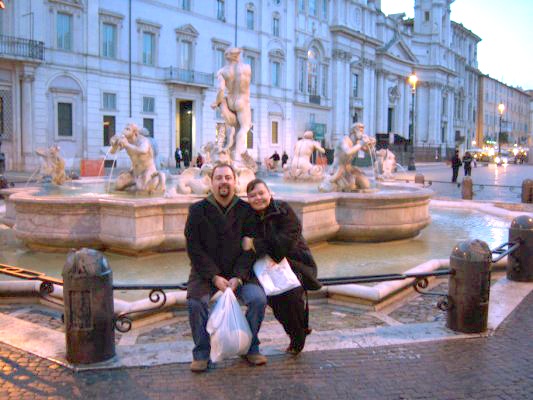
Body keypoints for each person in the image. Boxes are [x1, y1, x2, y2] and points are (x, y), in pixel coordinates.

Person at [185, 163, 267, 373]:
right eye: (219, 178)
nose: (224, 182)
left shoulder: (246, 211)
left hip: (239, 274)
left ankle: (250, 346)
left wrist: (238, 277)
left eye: (228, 178)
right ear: (211, 182)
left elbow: (249, 251)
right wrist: (213, 277)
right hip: (206, 274)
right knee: (195, 303)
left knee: (257, 299)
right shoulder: (197, 210)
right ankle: (201, 353)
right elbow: (194, 248)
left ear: (235, 182)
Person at [242, 179, 322, 355]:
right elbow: (246, 247)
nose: (258, 198)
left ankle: (298, 334)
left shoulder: (284, 210)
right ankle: (295, 332)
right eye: (253, 196)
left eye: (261, 193)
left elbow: (282, 245)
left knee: (293, 297)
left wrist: (255, 243)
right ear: (248, 199)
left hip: (295, 262)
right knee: (275, 301)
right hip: (265, 267)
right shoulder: (248, 217)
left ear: (270, 193)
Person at [211, 47, 252, 166]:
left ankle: (232, 149)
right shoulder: (247, 68)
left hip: (229, 100)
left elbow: (221, 89)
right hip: (242, 101)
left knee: (234, 128)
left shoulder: (222, 71)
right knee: (244, 128)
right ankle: (238, 159)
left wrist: (217, 102)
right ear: (238, 55)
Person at [109, 122, 165, 193]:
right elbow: (112, 152)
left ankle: (158, 176)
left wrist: (127, 145)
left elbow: (143, 150)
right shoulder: (126, 141)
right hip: (134, 171)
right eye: (125, 129)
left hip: (147, 170)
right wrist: (114, 145)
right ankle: (135, 184)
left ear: (134, 132)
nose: (125, 131)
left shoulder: (143, 140)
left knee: (141, 190)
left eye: (128, 129)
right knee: (118, 184)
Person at [319, 122, 375, 192]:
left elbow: (369, 152)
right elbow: (348, 152)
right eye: (360, 131)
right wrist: (361, 144)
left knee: (366, 185)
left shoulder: (357, 142)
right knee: (348, 187)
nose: (363, 133)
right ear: (354, 131)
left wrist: (371, 145)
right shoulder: (343, 140)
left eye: (363, 131)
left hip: (349, 168)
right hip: (338, 168)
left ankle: (353, 184)